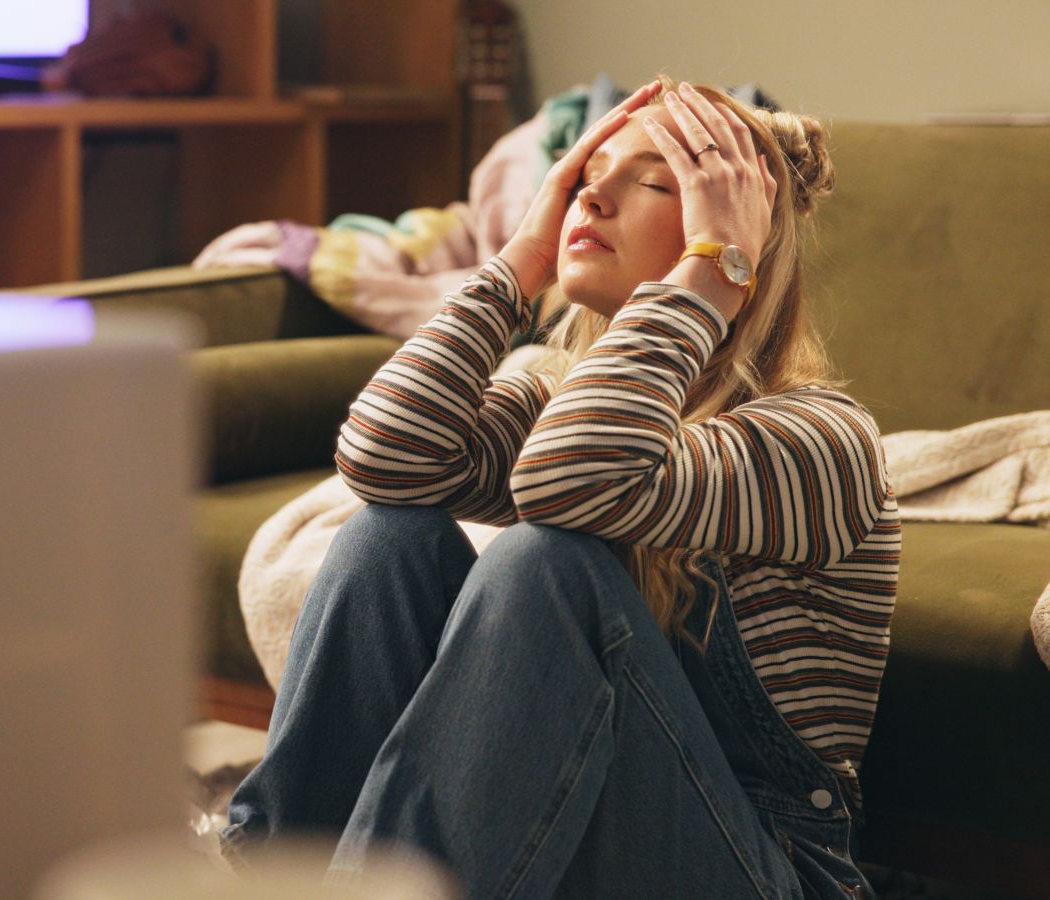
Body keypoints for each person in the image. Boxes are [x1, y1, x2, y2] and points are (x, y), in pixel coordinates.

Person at [222, 76, 901, 899]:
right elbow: (381, 460)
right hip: (580, 833)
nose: (594, 200)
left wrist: (716, 274)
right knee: (387, 538)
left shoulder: (820, 440)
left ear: (734, 233)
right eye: (584, 178)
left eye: (653, 182)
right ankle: (268, 878)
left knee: (543, 562)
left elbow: (569, 483)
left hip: (766, 870)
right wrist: (517, 263)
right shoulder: (555, 390)